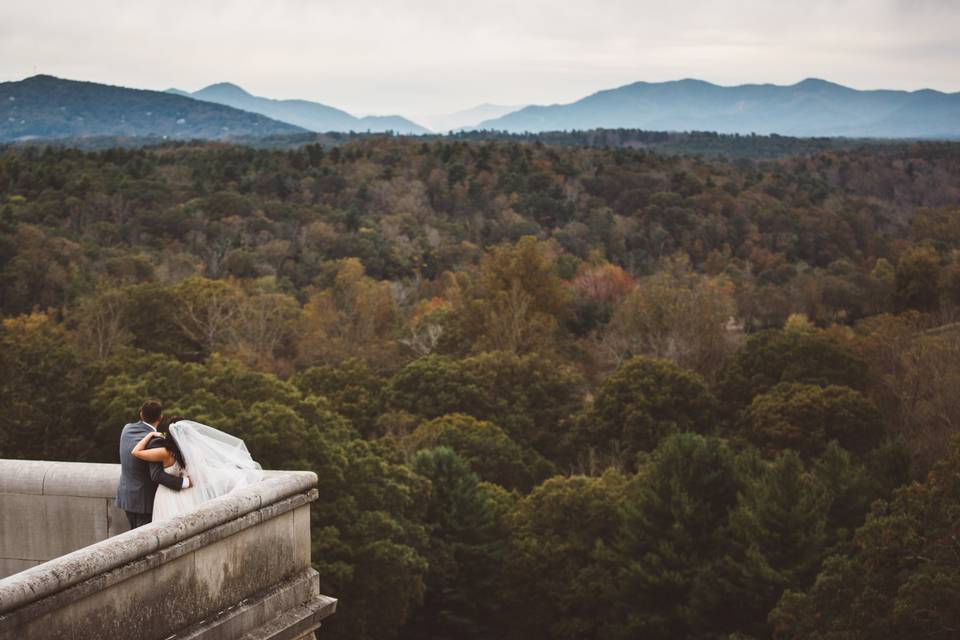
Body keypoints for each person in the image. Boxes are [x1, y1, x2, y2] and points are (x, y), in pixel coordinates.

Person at [132, 417, 263, 522]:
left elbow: (136, 452)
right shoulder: (195, 451)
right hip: (189, 494)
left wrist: (149, 436)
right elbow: (203, 474)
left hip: (167, 496)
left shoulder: (165, 453)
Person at [115, 399, 191, 529]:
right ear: (160, 417)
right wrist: (183, 482)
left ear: (141, 414)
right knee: (143, 541)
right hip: (144, 501)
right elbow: (156, 475)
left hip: (126, 497)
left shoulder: (126, 429)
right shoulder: (155, 441)